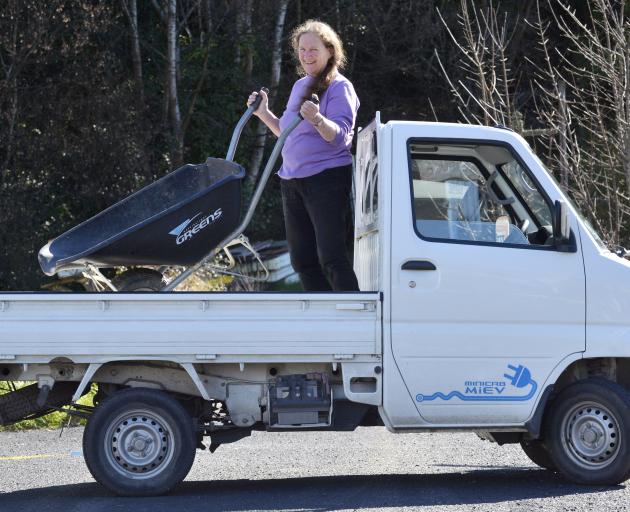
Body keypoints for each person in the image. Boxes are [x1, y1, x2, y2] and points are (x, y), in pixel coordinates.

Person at [247, 19, 360, 292]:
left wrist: (319, 120)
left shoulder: (340, 87)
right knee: (302, 261)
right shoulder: (301, 86)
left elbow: (343, 137)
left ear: (330, 51)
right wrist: (263, 112)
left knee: (332, 258)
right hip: (292, 181)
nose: (307, 55)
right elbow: (286, 132)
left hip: (326, 179)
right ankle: (323, 320)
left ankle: (352, 320)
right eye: (302, 49)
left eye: (314, 49)